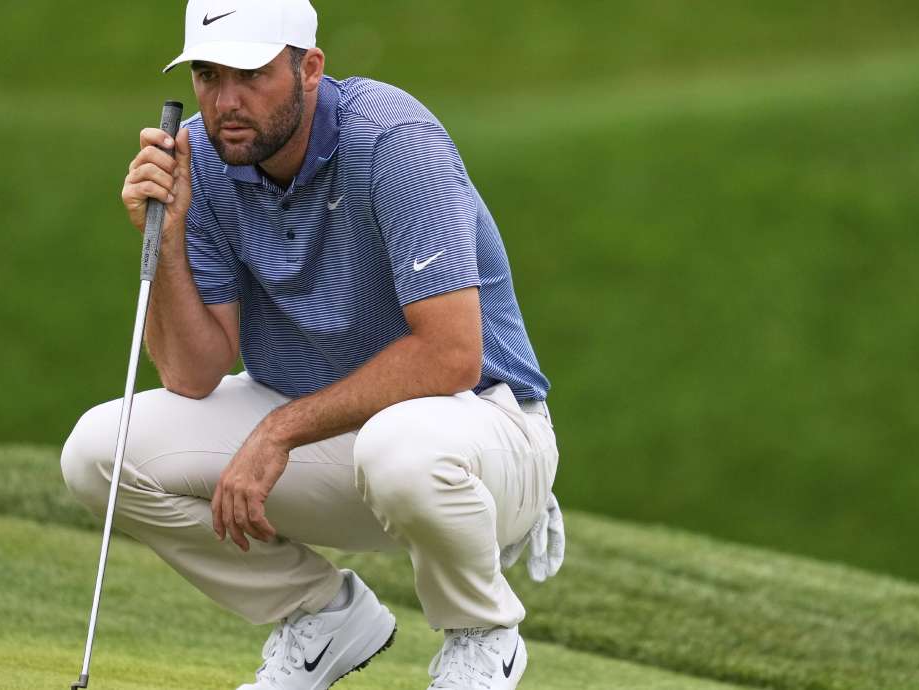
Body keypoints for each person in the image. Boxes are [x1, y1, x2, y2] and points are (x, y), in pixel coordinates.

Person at [60, 1, 564, 687]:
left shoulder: (393, 139)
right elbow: (190, 373)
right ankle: (323, 617)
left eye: (251, 75)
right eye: (208, 76)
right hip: (331, 441)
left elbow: (451, 356)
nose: (226, 102)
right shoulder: (202, 161)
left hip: (483, 434)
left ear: (310, 68)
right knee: (99, 452)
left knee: (401, 447)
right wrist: (168, 237)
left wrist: (278, 432)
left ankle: (482, 636)